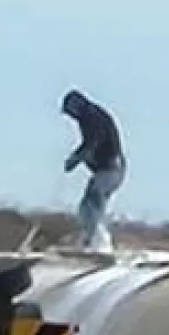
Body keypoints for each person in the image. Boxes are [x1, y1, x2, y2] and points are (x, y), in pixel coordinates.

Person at [61, 89, 126, 251]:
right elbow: (89, 143)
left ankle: (99, 242)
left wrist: (78, 158)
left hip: (111, 169)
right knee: (88, 204)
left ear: (76, 106)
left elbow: (94, 142)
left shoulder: (93, 117)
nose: (71, 117)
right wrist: (76, 156)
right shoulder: (87, 118)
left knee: (93, 200)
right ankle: (90, 239)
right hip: (106, 170)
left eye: (70, 112)